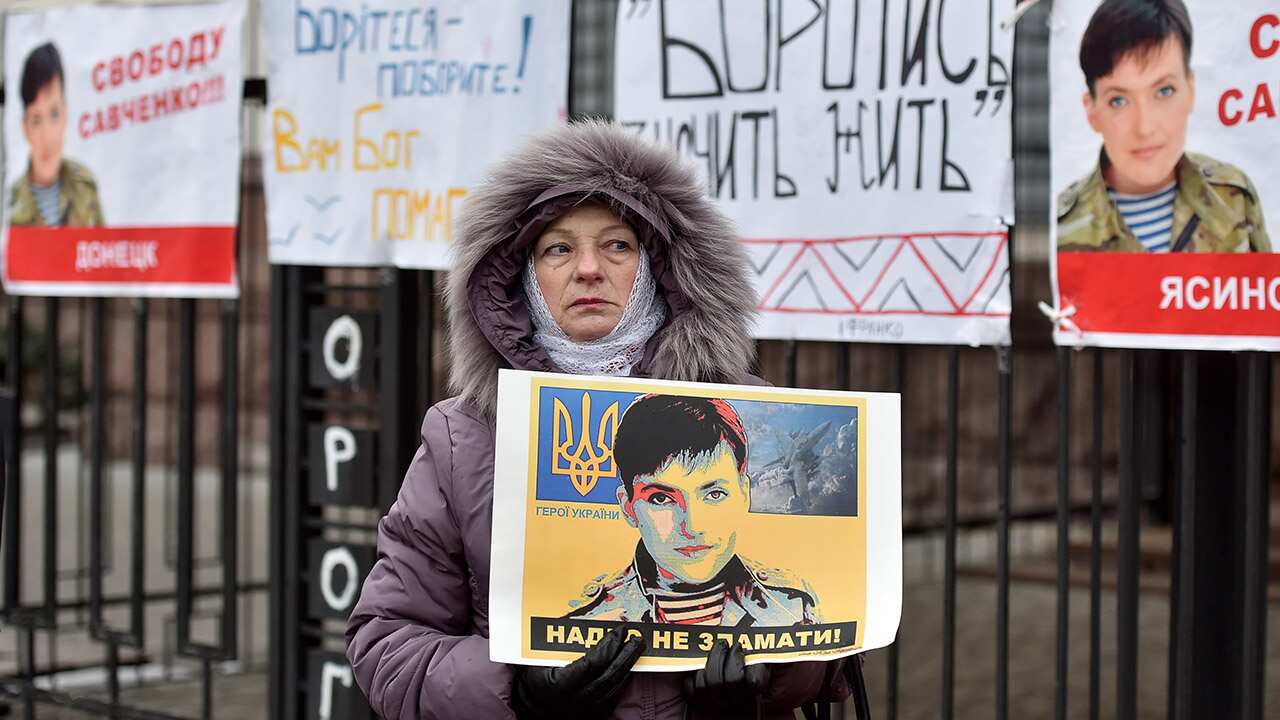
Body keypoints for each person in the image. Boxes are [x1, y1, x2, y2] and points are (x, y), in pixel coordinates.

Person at [346, 121, 850, 719]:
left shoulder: (752, 415)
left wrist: (771, 677)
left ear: (659, 267)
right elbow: (388, 642)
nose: (588, 269)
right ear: (524, 278)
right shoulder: (465, 436)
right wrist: (515, 690)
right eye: (558, 248)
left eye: (617, 245)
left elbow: (837, 645)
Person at [566, 394, 821, 626]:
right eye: (661, 499)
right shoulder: (589, 618)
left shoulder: (793, 605)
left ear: (745, 495)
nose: (693, 526)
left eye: (714, 494)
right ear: (629, 508)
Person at [1056, 0, 1270, 253]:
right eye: (1118, 100)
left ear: (1190, 90)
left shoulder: (1233, 198)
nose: (1145, 128)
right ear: (1092, 110)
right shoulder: (1058, 230)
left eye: (1164, 91)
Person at [8, 42, 104, 228]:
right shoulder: (9, 201)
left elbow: (103, 251)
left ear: (65, 115)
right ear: (25, 127)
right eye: (36, 119)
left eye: (54, 114)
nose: (47, 135)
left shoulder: (85, 186)